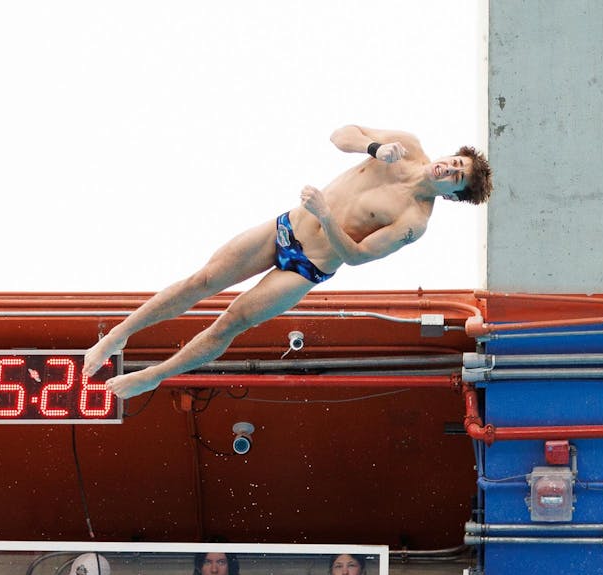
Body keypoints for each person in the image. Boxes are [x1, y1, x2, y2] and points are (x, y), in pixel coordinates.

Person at [83, 125, 492, 399]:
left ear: (453, 195)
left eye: (457, 177)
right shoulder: (404, 146)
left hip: (306, 267)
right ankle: (116, 335)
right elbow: (340, 135)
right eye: (456, 162)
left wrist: (328, 217)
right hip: (285, 227)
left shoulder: (413, 221)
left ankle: (155, 375)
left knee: (232, 321)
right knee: (202, 280)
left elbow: (358, 257)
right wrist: (373, 148)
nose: (450, 169)